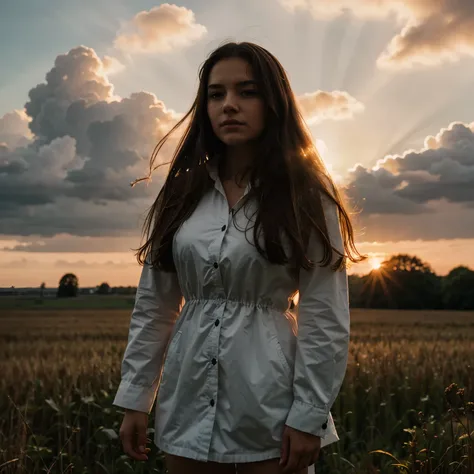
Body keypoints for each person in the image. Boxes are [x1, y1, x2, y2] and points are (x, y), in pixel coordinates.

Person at [113, 41, 367, 474]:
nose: (229, 105)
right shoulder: (182, 192)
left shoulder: (306, 195)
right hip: (186, 397)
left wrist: (308, 415)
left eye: (246, 91)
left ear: (274, 101)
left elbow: (324, 314)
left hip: (270, 405)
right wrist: (136, 399)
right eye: (216, 94)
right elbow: (154, 306)